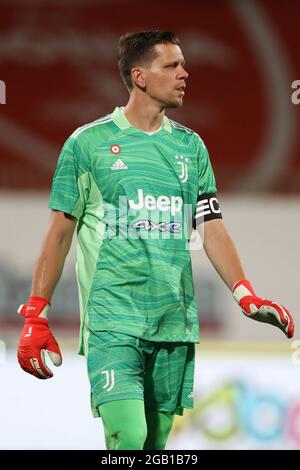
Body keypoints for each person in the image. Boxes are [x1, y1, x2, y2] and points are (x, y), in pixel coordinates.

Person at [17, 30, 294, 451]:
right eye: (172, 65)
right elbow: (59, 234)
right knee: (128, 438)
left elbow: (211, 226)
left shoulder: (191, 148)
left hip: (173, 321)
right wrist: (36, 314)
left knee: (155, 448)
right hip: (113, 320)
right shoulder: (87, 144)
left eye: (183, 64)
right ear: (140, 76)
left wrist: (245, 294)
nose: (185, 73)